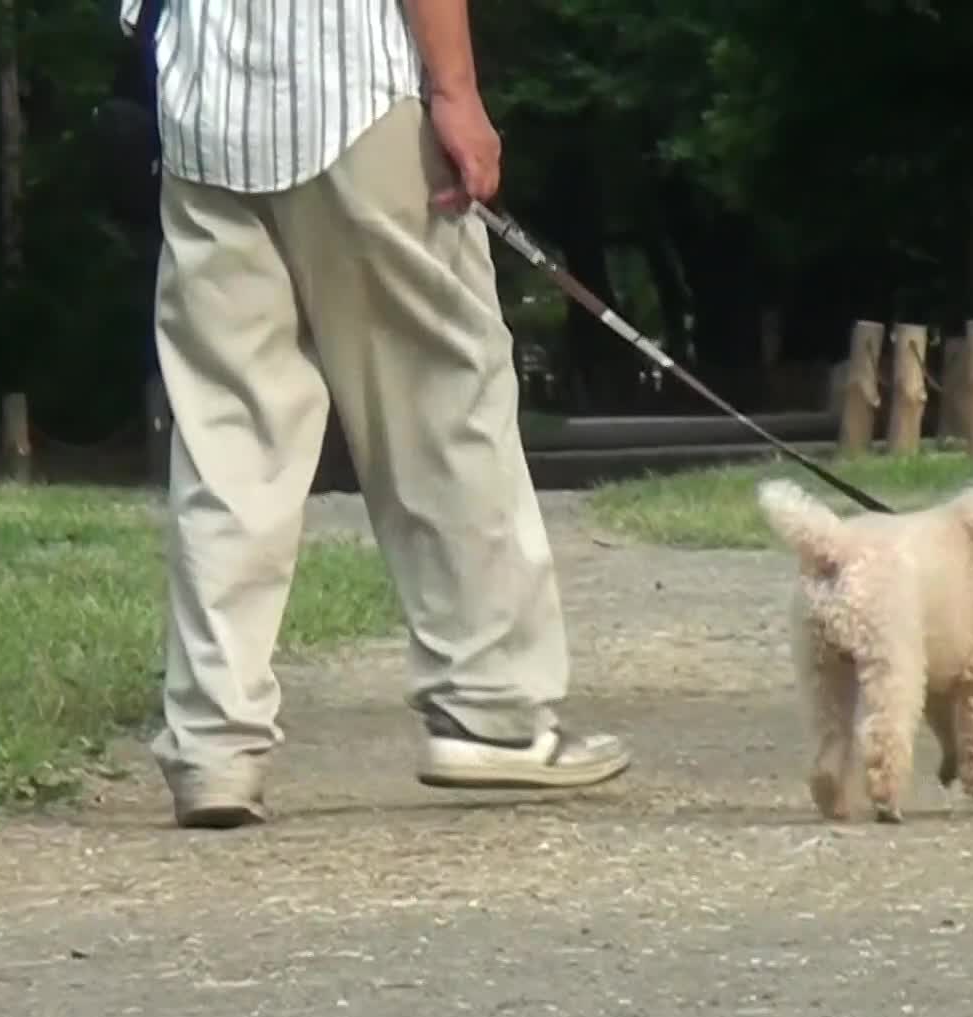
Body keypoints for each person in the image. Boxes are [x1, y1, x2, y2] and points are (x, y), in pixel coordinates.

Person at [117, 0, 632, 827]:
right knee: (441, 408)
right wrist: (456, 91)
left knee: (230, 439)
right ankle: (489, 711)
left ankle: (215, 744)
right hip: (353, 89)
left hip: (205, 106)